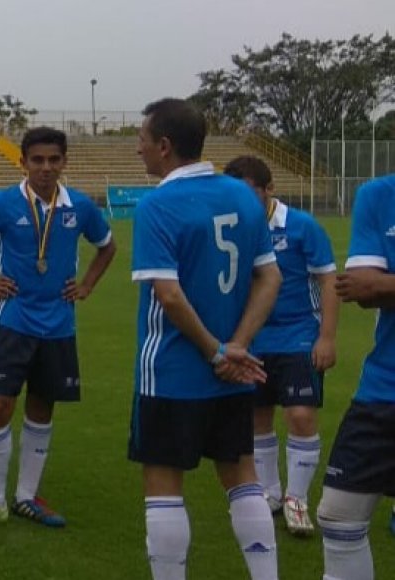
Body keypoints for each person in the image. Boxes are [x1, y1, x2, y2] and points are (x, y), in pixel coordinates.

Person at [128, 98, 282, 580]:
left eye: (143, 140)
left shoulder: (156, 205)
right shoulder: (241, 195)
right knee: (241, 474)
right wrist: (237, 346)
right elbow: (270, 278)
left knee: (163, 483)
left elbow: (169, 297)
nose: (139, 150)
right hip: (234, 372)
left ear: (165, 146)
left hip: (172, 369)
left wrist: (216, 350)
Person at [0, 127, 116, 528]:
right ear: (23, 163)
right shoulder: (4, 203)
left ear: (64, 162)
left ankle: (25, 496)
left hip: (58, 325)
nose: (45, 167)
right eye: (37, 160)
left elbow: (107, 246)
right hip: (14, 322)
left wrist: (87, 283)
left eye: (54, 160)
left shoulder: (80, 207)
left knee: (42, 406)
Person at [223, 155, 338, 538]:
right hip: (252, 337)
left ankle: (297, 499)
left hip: (298, 334)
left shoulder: (301, 226)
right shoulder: (235, 226)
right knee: (258, 416)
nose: (242, 200)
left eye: (249, 191)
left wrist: (326, 337)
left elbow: (327, 281)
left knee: (301, 415)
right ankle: (270, 493)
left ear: (269, 189)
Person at [317, 172, 395, 579]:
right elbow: (361, 291)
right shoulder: (379, 194)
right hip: (383, 386)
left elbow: (375, 284)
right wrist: (376, 287)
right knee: (337, 515)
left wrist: (386, 284)